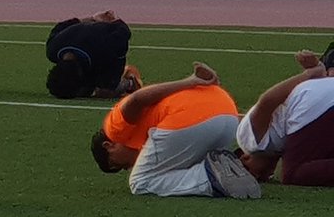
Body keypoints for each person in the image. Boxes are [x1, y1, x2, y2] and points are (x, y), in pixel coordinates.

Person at [90, 62, 260, 198]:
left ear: (108, 146)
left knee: (140, 182)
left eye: (116, 164)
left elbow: (136, 99)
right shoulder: (138, 135)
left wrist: (190, 81)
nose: (127, 168)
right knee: (180, 166)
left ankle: (209, 178)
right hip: (229, 117)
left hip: (191, 121)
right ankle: (236, 169)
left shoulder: (113, 129)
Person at [235, 49, 334, 186]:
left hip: (315, 105)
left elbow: (267, 102)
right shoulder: (276, 145)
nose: (262, 175)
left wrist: (309, 74)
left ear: (245, 158)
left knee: (293, 174)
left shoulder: (248, 142)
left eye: (250, 172)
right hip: (318, 104)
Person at [45, 10, 142, 98]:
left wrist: (113, 20)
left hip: (108, 44)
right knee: (85, 91)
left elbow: (124, 32)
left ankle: (130, 82)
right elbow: (61, 26)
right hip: (90, 44)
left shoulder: (106, 46)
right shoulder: (53, 49)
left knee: (106, 91)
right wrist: (91, 19)